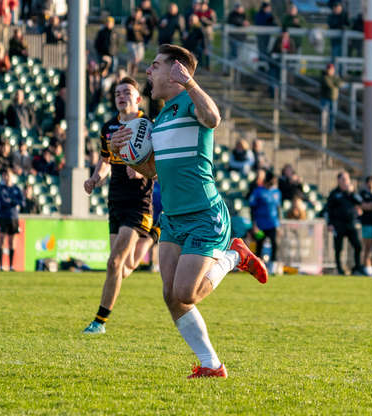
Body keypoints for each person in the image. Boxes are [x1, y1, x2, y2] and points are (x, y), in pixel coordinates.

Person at [110, 44, 268, 378]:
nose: (148, 72)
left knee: (186, 292)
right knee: (171, 295)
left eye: (155, 65)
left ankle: (234, 257)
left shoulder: (192, 102)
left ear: (176, 70)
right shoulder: (162, 116)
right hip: (173, 218)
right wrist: (123, 152)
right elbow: (154, 171)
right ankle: (211, 364)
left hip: (203, 214)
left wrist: (192, 84)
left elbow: (214, 118)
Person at [81, 77, 159, 334]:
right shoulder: (108, 128)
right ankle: (153, 236)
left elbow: (159, 167)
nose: (121, 95)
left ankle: (99, 322)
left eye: (127, 91)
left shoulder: (148, 126)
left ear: (138, 98)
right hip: (115, 200)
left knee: (114, 263)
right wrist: (95, 178)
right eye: (117, 92)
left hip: (139, 202)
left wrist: (142, 171)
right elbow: (105, 161)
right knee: (123, 268)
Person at [325, 171, 363, 276]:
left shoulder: (351, 193)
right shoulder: (334, 194)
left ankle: (357, 267)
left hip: (351, 224)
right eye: (343, 179)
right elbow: (328, 210)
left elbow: (361, 202)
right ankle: (339, 269)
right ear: (338, 180)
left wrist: (352, 192)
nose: (346, 181)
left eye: (347, 179)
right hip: (338, 224)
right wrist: (329, 224)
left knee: (357, 245)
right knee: (338, 248)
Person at [249, 170, 281, 263]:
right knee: (259, 244)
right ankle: (258, 265)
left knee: (274, 243)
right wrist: (254, 224)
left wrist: (279, 224)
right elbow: (252, 208)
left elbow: (278, 208)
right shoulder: (258, 191)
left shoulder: (276, 192)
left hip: (272, 224)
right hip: (260, 225)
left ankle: (273, 265)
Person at [0, 169, 24, 272]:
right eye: (5, 175)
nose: (7, 177)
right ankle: (1, 265)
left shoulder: (16, 188)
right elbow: (2, 201)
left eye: (9, 175)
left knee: (12, 242)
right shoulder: (0, 188)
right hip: (3, 216)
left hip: (14, 217)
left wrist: (11, 201)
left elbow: (22, 202)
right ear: (3, 176)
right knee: (2, 240)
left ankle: (11, 266)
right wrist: (13, 202)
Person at [125, 8, 149, 76]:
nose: (137, 15)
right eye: (136, 13)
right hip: (131, 42)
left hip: (140, 43)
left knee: (138, 59)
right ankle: (130, 74)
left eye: (139, 14)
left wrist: (142, 24)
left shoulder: (142, 21)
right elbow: (132, 28)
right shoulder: (129, 20)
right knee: (135, 58)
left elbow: (146, 32)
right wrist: (138, 23)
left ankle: (133, 75)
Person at [319, 63, 341, 134]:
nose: (330, 71)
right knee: (324, 114)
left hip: (334, 99)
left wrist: (334, 84)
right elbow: (329, 84)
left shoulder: (335, 77)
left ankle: (331, 130)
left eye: (331, 69)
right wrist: (335, 84)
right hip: (325, 98)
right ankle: (322, 129)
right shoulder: (325, 77)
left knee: (333, 115)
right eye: (329, 69)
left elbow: (340, 83)